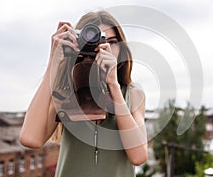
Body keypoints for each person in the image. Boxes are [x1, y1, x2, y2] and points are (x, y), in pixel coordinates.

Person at [19, 10, 148, 177]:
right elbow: (30, 139)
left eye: (112, 42)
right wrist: (54, 62)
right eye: (96, 41)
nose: (105, 48)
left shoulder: (133, 93)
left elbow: (138, 156)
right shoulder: (65, 93)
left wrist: (114, 87)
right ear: (79, 45)